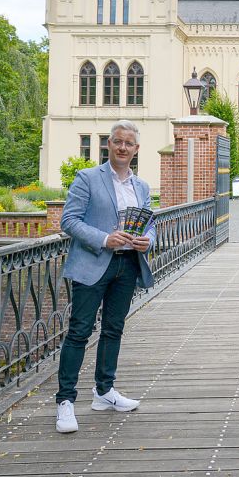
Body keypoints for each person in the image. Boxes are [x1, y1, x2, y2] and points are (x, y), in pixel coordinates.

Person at [55, 120, 156, 433]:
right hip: (94, 262)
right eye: (117, 142)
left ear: (136, 149)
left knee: (114, 329)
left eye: (129, 143)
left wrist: (148, 240)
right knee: (79, 331)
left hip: (128, 265)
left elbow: (150, 224)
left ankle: (104, 391)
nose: (123, 147)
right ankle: (65, 402)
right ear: (108, 145)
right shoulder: (87, 178)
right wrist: (103, 238)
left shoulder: (141, 187)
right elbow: (68, 220)